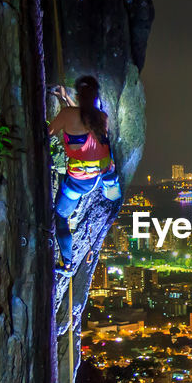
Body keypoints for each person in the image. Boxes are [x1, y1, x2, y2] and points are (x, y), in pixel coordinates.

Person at [48, 75, 121, 267]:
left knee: (61, 216)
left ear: (79, 96)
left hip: (78, 181)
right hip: (99, 177)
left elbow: (48, 133)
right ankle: (67, 263)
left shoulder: (67, 115)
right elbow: (83, 118)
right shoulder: (101, 118)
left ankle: (68, 263)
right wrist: (65, 99)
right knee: (65, 208)